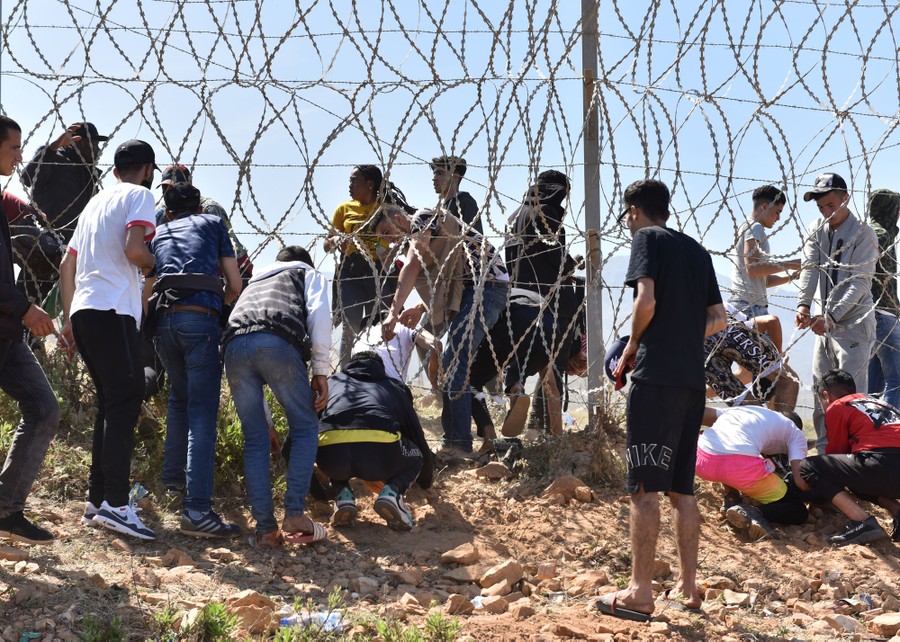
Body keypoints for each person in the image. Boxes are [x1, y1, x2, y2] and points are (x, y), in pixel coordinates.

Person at [597, 179, 726, 622]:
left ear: (634, 210)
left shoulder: (646, 238)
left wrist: (633, 345)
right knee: (681, 490)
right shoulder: (697, 252)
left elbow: (645, 299)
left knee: (643, 489)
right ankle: (689, 588)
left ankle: (639, 592)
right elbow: (718, 317)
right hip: (692, 380)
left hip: (655, 380)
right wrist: (684, 336)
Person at [59, 139, 159, 541]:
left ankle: (97, 500)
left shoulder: (94, 205)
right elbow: (135, 250)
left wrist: (68, 320)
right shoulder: (140, 195)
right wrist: (158, 263)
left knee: (110, 402)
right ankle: (118, 504)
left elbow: (69, 264)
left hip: (84, 309)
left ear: (115, 169)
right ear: (148, 169)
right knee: (125, 399)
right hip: (113, 310)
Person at [145, 182, 242, 537]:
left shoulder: (159, 231)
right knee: (202, 413)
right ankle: (197, 511)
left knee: (179, 401)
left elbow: (148, 280)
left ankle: (172, 483)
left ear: (167, 212)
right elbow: (235, 282)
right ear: (199, 208)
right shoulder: (212, 224)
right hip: (199, 319)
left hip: (163, 322)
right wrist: (220, 308)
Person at [375, 205, 509, 459]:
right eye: (382, 237)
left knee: (454, 360)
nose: (388, 239)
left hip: (485, 287)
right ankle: (469, 438)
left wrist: (394, 312)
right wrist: (418, 306)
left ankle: (458, 444)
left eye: (386, 230)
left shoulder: (425, 217)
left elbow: (414, 265)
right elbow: (446, 275)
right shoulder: (418, 237)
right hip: (472, 290)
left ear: (398, 218)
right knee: (454, 360)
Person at [222, 245, 330, 549]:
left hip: (233, 346)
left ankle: (266, 531)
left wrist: (268, 421)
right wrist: (320, 370)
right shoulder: (306, 272)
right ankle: (295, 514)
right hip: (277, 339)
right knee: (305, 427)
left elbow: (248, 342)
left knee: (255, 438)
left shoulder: (255, 281)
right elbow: (320, 315)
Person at [0, 115, 61, 545]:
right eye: (13, 146)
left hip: (6, 330)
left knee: (43, 408)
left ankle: (6, 509)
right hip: (11, 317)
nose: (19, 155)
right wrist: (25, 308)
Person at [796, 172, 878, 453]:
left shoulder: (863, 234)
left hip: (852, 325)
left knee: (851, 398)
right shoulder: (817, 229)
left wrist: (830, 315)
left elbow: (859, 282)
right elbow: (810, 269)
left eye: (831, 205)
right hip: (824, 325)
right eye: (821, 208)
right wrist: (803, 305)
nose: (826, 212)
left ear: (846, 198)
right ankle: (825, 456)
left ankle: (856, 459)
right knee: (823, 392)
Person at [316, 351, 434, 530]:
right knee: (416, 456)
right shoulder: (393, 386)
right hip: (378, 457)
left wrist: (317, 493)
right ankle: (392, 493)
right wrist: (425, 480)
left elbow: (301, 432)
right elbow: (415, 436)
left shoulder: (331, 382)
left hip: (331, 458)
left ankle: (343, 496)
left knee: (336, 438)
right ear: (380, 369)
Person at [798, 369, 900, 546]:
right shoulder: (880, 403)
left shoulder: (838, 406)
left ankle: (863, 522)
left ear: (825, 395)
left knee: (809, 466)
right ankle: (897, 511)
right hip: (888, 468)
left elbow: (834, 455)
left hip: (882, 464)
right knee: (857, 477)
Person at [470, 285, 586, 437]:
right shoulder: (516, 293)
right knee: (520, 371)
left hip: (517, 322)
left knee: (469, 381)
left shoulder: (486, 294)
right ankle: (517, 388)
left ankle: (489, 434)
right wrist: (558, 438)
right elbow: (551, 387)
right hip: (550, 329)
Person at [19, 121, 108, 303]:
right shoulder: (55, 158)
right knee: (26, 305)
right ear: (77, 141)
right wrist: (53, 147)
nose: (98, 150)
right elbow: (27, 177)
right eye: (93, 144)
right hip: (44, 248)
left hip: (72, 254)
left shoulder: (89, 174)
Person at [697, 406, 809, 541]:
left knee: (727, 443)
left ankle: (731, 497)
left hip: (701, 460)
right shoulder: (796, 433)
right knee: (798, 510)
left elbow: (700, 412)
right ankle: (754, 513)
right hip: (739, 468)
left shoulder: (749, 411)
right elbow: (800, 481)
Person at [326, 165, 395, 367]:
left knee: (378, 327)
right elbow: (326, 243)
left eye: (355, 180)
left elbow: (398, 240)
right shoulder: (344, 209)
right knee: (350, 327)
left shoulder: (386, 209)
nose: (350, 185)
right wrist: (336, 241)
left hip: (378, 272)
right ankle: (346, 374)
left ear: (370, 184)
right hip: (351, 273)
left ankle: (377, 372)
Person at [155, 164, 254, 284]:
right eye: (165, 189)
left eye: (173, 187)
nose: (169, 193)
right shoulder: (161, 212)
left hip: (230, 271)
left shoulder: (209, 209)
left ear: (189, 183)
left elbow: (230, 250)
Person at [704, 304, 799, 412]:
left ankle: (761, 424)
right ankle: (780, 426)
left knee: (739, 399)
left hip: (691, 341)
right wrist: (778, 356)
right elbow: (771, 320)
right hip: (725, 326)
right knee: (787, 380)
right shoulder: (723, 307)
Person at [729, 185, 801, 318]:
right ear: (764, 207)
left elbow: (765, 281)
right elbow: (752, 268)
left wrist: (792, 276)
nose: (778, 218)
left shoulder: (749, 227)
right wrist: (792, 263)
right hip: (749, 307)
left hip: (749, 304)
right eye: (777, 212)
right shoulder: (754, 227)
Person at [866, 189, 900, 408]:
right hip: (883, 315)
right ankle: (890, 432)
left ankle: (871, 430)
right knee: (896, 380)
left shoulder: (871, 233)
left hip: (872, 314)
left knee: (875, 383)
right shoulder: (881, 235)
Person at [430, 155, 481, 233]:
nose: (434, 178)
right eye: (434, 173)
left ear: (455, 177)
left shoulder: (465, 202)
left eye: (440, 173)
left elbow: (475, 240)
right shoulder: (441, 208)